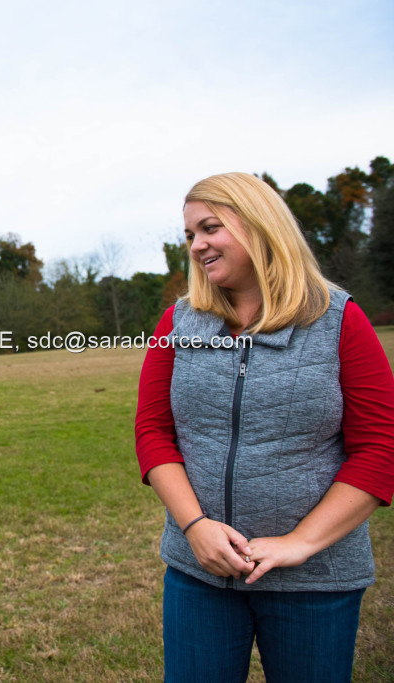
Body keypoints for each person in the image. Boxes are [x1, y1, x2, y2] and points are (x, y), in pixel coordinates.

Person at [135, 171, 394, 682]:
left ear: (259, 224)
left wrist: (300, 542)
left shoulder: (339, 320)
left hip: (315, 582)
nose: (196, 245)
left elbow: (380, 447)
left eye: (209, 228)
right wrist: (195, 528)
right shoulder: (177, 324)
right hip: (200, 574)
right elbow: (153, 431)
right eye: (189, 235)